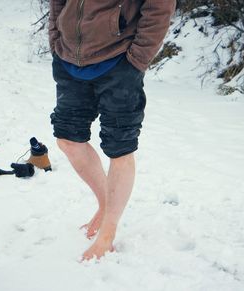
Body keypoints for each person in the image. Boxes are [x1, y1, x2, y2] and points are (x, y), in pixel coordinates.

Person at [48, 0, 176, 260]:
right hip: (69, 60)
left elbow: (159, 8)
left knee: (119, 148)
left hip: (118, 62)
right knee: (68, 139)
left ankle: (107, 234)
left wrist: (136, 61)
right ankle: (106, 203)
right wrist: (56, 38)